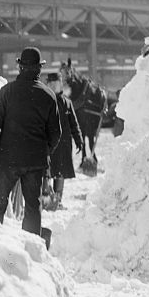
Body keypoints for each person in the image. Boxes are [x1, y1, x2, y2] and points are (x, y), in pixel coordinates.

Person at [0, 48, 62, 242]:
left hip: (7, 159)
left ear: (20, 66)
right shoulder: (48, 96)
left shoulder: (6, 92)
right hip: (34, 162)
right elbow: (56, 133)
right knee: (32, 208)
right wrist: (44, 152)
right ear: (38, 69)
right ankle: (31, 248)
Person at [46, 72, 83, 209]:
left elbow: (74, 123)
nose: (54, 86)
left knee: (60, 172)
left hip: (63, 144)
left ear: (60, 84)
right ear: (48, 85)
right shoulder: (44, 101)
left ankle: (58, 200)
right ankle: (47, 198)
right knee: (48, 172)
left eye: (56, 83)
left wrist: (78, 139)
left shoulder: (67, 102)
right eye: (51, 84)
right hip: (48, 144)